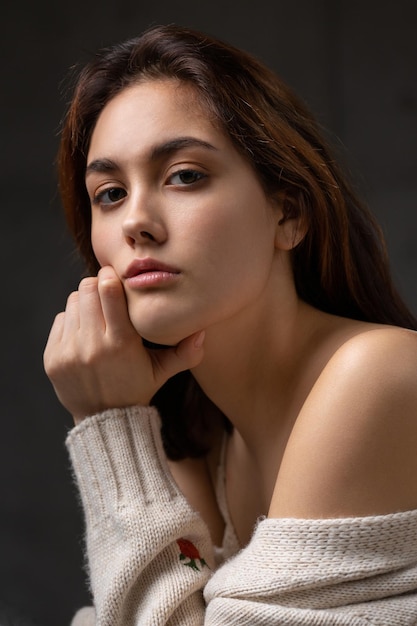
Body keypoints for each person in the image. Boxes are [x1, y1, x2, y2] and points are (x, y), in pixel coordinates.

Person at [44, 23, 417, 625]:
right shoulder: (203, 440)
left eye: (185, 175)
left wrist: (108, 428)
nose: (136, 220)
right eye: (109, 193)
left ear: (287, 212)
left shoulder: (377, 375)